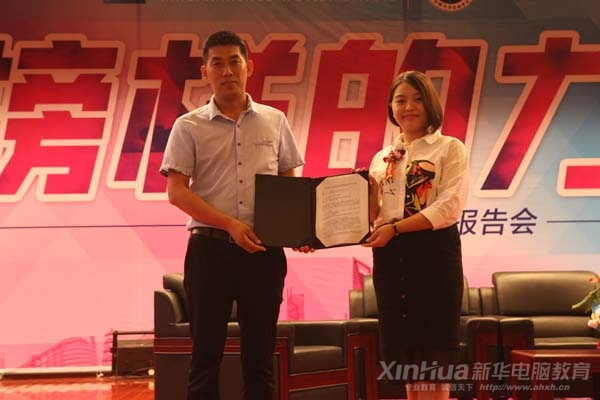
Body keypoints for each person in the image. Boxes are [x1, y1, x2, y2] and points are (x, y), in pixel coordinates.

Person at [159, 30, 305, 400]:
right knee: (205, 358)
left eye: (234, 62)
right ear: (205, 71)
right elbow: (177, 191)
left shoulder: (275, 120)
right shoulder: (188, 126)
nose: (227, 71)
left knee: (260, 360)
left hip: (263, 252)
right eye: (218, 64)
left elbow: (288, 182)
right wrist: (230, 225)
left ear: (249, 67)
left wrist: (300, 229)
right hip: (210, 252)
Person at [362, 70, 469, 400]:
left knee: (434, 355)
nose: (408, 107)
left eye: (417, 99)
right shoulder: (381, 158)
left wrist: (395, 229)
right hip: (391, 259)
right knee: (408, 357)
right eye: (400, 100)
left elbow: (448, 207)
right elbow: (375, 217)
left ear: (430, 104)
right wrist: (367, 197)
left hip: (433, 256)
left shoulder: (449, 148)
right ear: (391, 107)